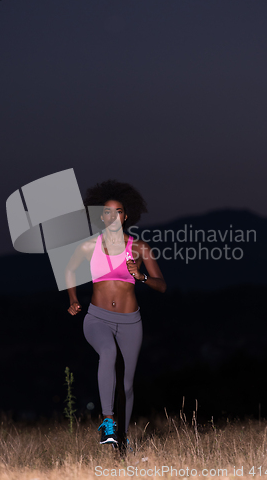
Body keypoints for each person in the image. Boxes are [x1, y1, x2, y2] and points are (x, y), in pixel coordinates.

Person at [67, 179, 166, 449]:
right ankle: (108, 421)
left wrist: (141, 276)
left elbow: (162, 285)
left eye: (118, 212)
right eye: (107, 212)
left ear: (126, 216)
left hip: (130, 321)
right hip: (97, 318)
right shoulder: (89, 246)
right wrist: (74, 299)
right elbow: (70, 270)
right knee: (108, 353)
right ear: (101, 216)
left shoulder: (140, 247)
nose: (113, 216)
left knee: (126, 386)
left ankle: (121, 439)